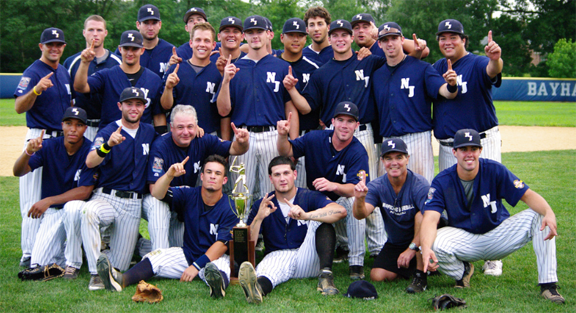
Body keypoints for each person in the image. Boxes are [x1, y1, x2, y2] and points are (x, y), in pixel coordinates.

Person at [420, 129, 565, 304]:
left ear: (480, 150)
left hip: (498, 235)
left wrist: (549, 212)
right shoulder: (442, 180)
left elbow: (527, 195)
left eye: (473, 149)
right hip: (465, 239)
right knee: (431, 243)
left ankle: (548, 285)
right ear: (454, 152)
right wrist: (426, 248)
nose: (469, 154)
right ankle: (463, 271)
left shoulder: (494, 170)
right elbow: (430, 218)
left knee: (540, 216)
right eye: (463, 149)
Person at [286, 19, 387, 267]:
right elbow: (308, 106)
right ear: (329, 39)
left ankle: (376, 247)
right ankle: (343, 245)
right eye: (336, 35)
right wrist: (291, 90)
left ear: (352, 38)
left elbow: (401, 54)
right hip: (334, 133)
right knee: (337, 190)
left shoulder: (370, 60)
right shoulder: (322, 72)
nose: (340, 39)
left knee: (366, 190)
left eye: (345, 35)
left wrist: (373, 42)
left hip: (362, 131)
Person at [96, 155, 238, 300]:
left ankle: (217, 287)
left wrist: (196, 266)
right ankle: (120, 280)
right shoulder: (189, 194)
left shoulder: (231, 206)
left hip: (214, 257)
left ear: (224, 180)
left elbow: (221, 245)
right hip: (188, 254)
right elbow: (157, 193)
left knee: (218, 269)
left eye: (217, 173)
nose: (212, 176)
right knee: (157, 256)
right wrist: (169, 175)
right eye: (209, 172)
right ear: (202, 176)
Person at [432, 19, 505, 275]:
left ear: (464, 40)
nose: (448, 41)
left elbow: (492, 70)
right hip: (449, 146)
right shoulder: (437, 67)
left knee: (488, 194)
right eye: (443, 37)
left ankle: (493, 256)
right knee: (455, 199)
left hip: (481, 141)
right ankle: (465, 251)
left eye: (454, 37)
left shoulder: (475, 62)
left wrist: (495, 58)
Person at [277, 101, 370, 280]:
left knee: (354, 200)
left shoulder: (358, 151)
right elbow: (287, 151)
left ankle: (356, 264)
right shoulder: (315, 138)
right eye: (341, 120)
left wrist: (333, 185)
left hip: (340, 201)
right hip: (317, 202)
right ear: (332, 121)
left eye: (350, 121)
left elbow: (356, 189)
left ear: (357, 126)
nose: (344, 125)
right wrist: (282, 135)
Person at [142, 104, 248, 253]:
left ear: (197, 126)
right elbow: (155, 192)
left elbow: (235, 149)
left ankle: (142, 246)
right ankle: (158, 262)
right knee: (158, 207)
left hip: (182, 202)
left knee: (183, 249)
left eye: (190, 127)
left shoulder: (201, 139)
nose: (186, 132)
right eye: (180, 127)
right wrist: (169, 175)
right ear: (171, 127)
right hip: (158, 199)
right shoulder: (160, 146)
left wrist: (242, 142)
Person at [239, 156, 347, 303]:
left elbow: (340, 211)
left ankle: (326, 277)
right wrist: (258, 218)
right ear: (271, 178)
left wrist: (307, 215)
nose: (282, 178)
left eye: (286, 173)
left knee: (322, 219)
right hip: (277, 257)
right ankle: (257, 290)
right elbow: (247, 245)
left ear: (294, 175)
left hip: (307, 256)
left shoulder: (309, 196)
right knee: (267, 272)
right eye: (277, 175)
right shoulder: (263, 204)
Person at [216, 15, 299, 202]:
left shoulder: (282, 67)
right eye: (250, 32)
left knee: (273, 195)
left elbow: (290, 109)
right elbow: (223, 111)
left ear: (269, 34)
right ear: (244, 36)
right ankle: (241, 232)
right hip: (243, 137)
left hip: (273, 135)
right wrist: (226, 81)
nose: (255, 36)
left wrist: (292, 144)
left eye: (259, 31)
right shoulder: (235, 68)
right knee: (240, 196)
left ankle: (270, 232)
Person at [81, 87, 156, 290]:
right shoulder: (108, 131)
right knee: (88, 212)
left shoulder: (148, 131)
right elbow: (89, 161)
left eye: (138, 104)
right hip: (107, 197)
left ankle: (128, 245)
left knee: (119, 266)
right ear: (119, 106)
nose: (133, 108)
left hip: (132, 204)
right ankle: (96, 274)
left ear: (144, 107)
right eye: (129, 103)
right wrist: (107, 145)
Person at [14, 27, 74, 268]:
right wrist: (36, 90)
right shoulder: (33, 71)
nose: (54, 48)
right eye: (50, 44)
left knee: (54, 195)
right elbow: (19, 106)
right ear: (41, 47)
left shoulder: (64, 72)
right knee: (32, 196)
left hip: (60, 140)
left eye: (58, 44)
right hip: (39, 137)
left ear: (63, 48)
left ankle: (51, 246)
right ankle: (29, 252)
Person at [13, 107, 96, 277]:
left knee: (73, 209)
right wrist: (28, 152)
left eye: (79, 125)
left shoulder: (90, 150)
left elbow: (85, 191)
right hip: (54, 212)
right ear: (62, 126)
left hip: (78, 212)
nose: (73, 129)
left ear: (85, 128)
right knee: (39, 262)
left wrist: (48, 200)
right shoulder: (49, 146)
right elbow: (18, 171)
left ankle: (75, 255)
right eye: (68, 123)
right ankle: (75, 252)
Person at [372, 22, 457, 183]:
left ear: (402, 40)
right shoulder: (377, 75)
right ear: (379, 44)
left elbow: (445, 92)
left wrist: (452, 86)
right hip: (388, 139)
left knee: (422, 190)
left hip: (417, 139)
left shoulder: (422, 68)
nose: (390, 43)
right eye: (385, 40)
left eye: (394, 38)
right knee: (388, 195)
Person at [352, 138, 430, 293]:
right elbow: (360, 214)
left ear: (407, 159)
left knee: (421, 216)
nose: (394, 163)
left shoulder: (420, 185)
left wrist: (412, 248)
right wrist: (359, 199)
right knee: (377, 276)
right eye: (389, 158)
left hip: (422, 238)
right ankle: (417, 266)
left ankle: (421, 276)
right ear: (382, 161)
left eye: (399, 157)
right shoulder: (377, 186)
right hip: (397, 241)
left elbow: (429, 219)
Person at [74, 30, 164, 132]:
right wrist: (84, 63)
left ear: (142, 50)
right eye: (126, 48)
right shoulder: (107, 75)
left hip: (140, 140)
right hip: (110, 138)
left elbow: (158, 115)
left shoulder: (153, 79)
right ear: (120, 49)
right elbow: (80, 87)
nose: (130, 53)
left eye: (134, 49)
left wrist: (160, 140)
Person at [64, 15, 122, 141]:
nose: (95, 34)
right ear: (84, 33)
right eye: (91, 30)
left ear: (105, 33)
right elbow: (67, 97)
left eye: (99, 30)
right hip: (81, 125)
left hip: (110, 125)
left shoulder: (118, 62)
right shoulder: (71, 62)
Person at [161, 23, 222, 135]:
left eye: (206, 41)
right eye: (198, 40)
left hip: (208, 136)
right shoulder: (176, 69)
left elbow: (224, 112)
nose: (202, 44)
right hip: (179, 136)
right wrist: (168, 88)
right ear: (191, 43)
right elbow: (165, 106)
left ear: (214, 45)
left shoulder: (218, 73)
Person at [131, 4, 174, 79]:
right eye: (146, 23)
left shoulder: (170, 51)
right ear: (138, 25)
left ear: (160, 24)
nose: (150, 28)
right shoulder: (128, 50)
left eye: (154, 23)